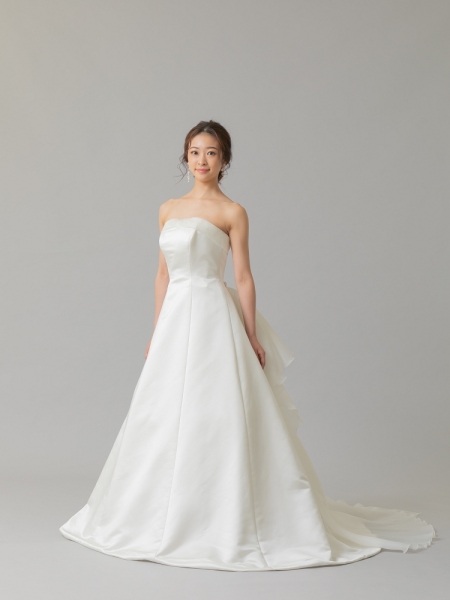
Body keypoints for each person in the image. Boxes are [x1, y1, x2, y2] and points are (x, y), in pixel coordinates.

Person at [59, 120, 436, 571]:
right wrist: (156, 331)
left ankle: (225, 515)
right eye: (194, 152)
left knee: (218, 411)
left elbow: (242, 277)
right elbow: (162, 275)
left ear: (224, 160)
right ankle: (156, 513)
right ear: (185, 157)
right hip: (176, 319)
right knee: (161, 411)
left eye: (211, 152)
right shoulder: (167, 209)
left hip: (213, 316)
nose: (201, 160)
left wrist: (251, 334)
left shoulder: (233, 212)